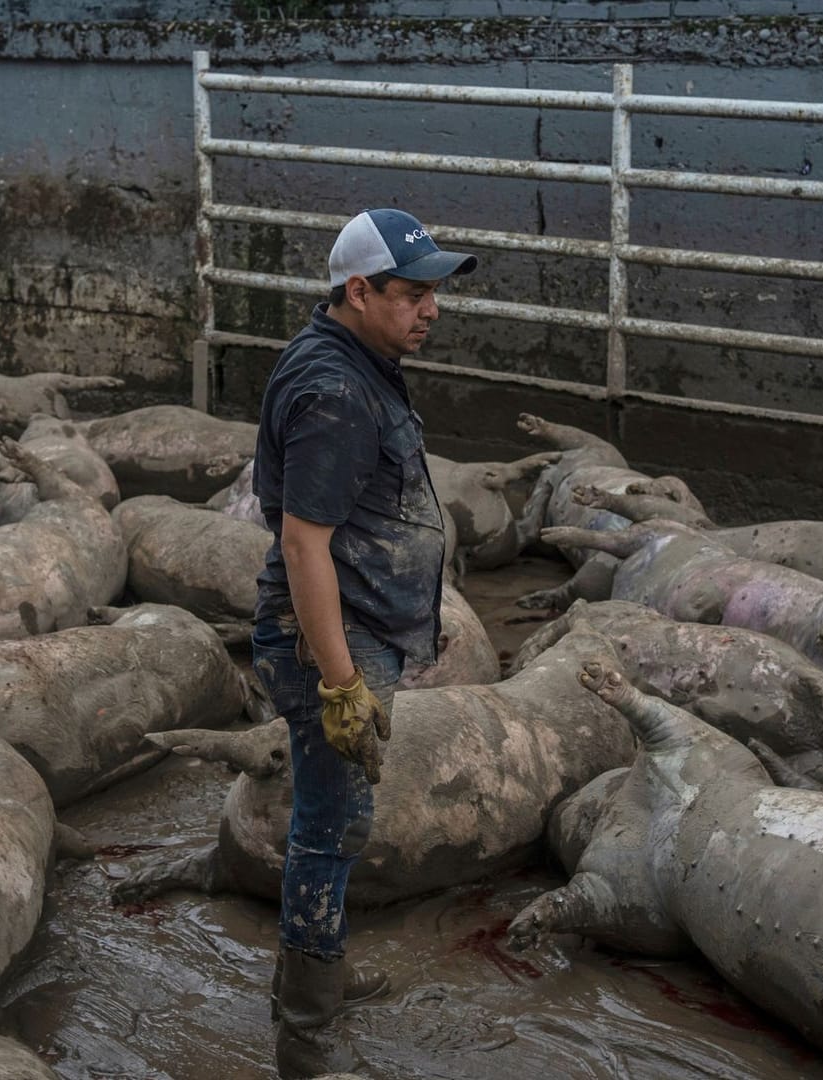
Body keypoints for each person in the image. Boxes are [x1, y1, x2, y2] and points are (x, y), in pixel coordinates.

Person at [249, 208, 475, 1076]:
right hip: (330, 638)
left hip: (356, 626)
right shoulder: (337, 392)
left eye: (434, 294)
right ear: (358, 290)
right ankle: (306, 1033)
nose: (431, 310)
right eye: (412, 294)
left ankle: (315, 979)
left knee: (337, 818)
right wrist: (340, 681)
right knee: (330, 825)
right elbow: (303, 543)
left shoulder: (356, 363)